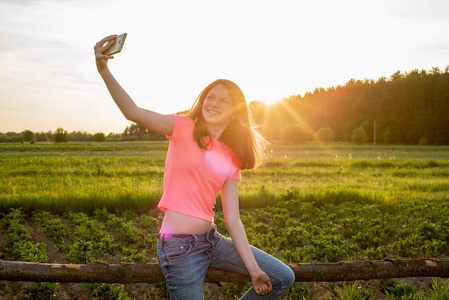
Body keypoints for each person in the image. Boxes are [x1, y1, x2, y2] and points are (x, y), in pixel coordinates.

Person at [94, 34, 295, 299]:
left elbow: (233, 219)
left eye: (224, 101)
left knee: (283, 277)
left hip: (212, 242)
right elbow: (132, 111)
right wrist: (103, 69)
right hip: (179, 248)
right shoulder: (182, 127)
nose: (213, 104)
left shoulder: (231, 157)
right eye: (210, 97)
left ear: (235, 111)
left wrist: (254, 269)